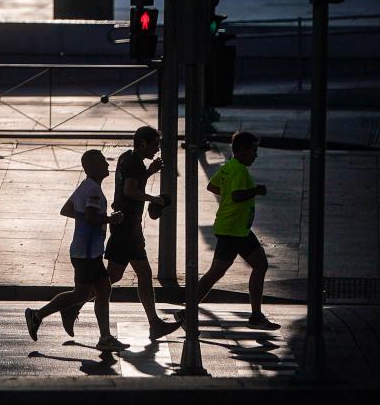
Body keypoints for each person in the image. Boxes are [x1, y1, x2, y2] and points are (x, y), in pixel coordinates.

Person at [58, 127, 183, 341]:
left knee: (123, 276)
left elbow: (128, 185)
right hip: (126, 227)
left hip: (128, 226)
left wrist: (149, 172)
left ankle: (153, 323)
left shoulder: (128, 158)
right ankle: (74, 307)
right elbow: (129, 191)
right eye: (154, 145)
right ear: (143, 143)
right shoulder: (134, 162)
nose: (157, 149)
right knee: (124, 276)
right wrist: (156, 200)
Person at [24, 149, 129, 352]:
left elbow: (67, 209)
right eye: (102, 162)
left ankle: (103, 335)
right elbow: (90, 217)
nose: (107, 165)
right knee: (83, 293)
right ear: (91, 167)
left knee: (101, 289)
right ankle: (38, 315)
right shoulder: (92, 191)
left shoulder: (86, 187)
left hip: (87, 250)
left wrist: (85, 219)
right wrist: (110, 219)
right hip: (87, 252)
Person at [187, 131, 280, 330]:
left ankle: (256, 315)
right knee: (216, 273)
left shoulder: (229, 166)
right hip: (233, 230)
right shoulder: (240, 171)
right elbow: (237, 196)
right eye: (253, 151)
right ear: (243, 151)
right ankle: (188, 311)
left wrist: (228, 195)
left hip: (238, 229)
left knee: (259, 265)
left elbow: (212, 186)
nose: (256, 155)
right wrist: (256, 191)